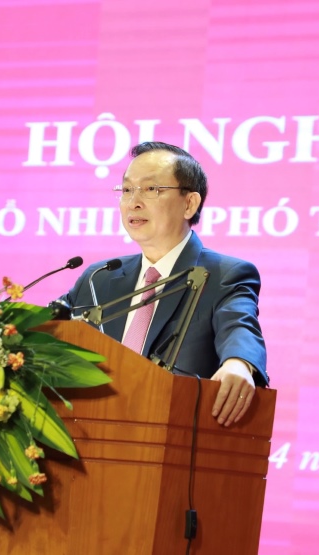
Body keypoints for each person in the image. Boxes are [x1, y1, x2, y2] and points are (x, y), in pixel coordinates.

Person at [58, 142, 268, 426]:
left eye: (151, 189)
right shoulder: (99, 278)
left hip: (174, 436)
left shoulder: (224, 275)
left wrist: (239, 363)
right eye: (127, 190)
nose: (133, 202)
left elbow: (238, 326)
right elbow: (53, 333)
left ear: (189, 204)